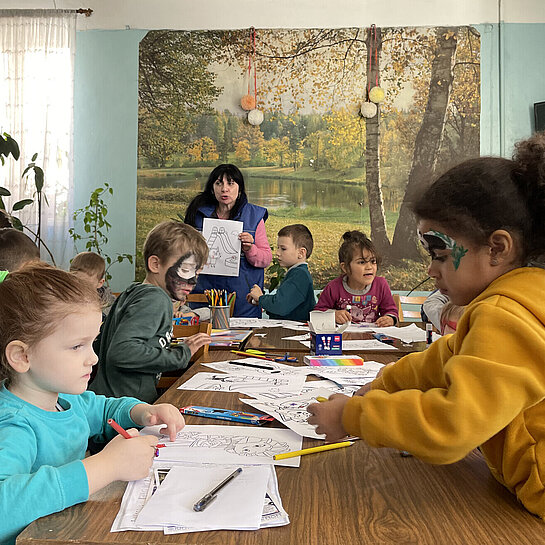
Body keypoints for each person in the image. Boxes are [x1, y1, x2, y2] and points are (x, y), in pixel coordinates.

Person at [307, 131, 545, 519]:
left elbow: (451, 426)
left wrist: (351, 416)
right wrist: (379, 385)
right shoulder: (512, 302)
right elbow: (438, 360)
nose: (430, 269)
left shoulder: (507, 313)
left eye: (439, 253)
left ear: (498, 248)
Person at [0, 263, 185, 544]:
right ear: (22, 356)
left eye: (92, 343)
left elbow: (104, 410)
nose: (94, 358)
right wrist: (106, 467)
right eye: (77, 346)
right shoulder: (13, 424)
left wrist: (143, 412)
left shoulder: (65, 400)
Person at [90, 221, 211, 404]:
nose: (193, 280)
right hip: (126, 408)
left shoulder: (133, 292)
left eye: (197, 273)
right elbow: (122, 352)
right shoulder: (155, 298)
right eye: (185, 270)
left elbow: (101, 347)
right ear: (155, 264)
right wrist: (181, 354)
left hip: (108, 402)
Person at [184, 164, 272, 317]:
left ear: (240, 189)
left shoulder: (254, 216)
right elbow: (183, 253)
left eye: (230, 183)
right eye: (219, 183)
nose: (224, 189)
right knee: (204, 337)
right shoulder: (197, 214)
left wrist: (250, 249)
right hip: (204, 294)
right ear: (212, 188)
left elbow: (265, 259)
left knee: (246, 339)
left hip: (243, 298)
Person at [314, 230, 398, 326]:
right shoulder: (333, 287)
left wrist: (389, 319)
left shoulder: (381, 285)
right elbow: (317, 313)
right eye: (362, 262)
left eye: (373, 261)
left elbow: (391, 311)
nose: (369, 267)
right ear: (345, 267)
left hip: (372, 339)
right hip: (342, 339)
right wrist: (333, 315)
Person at [247, 224, 316, 321]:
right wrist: (261, 302)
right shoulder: (296, 273)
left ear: (301, 253)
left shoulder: (299, 275)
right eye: (278, 248)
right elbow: (285, 308)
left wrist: (261, 298)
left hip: (295, 333)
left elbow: (281, 306)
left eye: (283, 249)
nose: (277, 253)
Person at [70, 251, 116, 315]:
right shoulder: (63, 297)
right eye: (76, 282)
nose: (80, 288)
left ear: (100, 283)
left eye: (87, 285)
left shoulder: (109, 305)